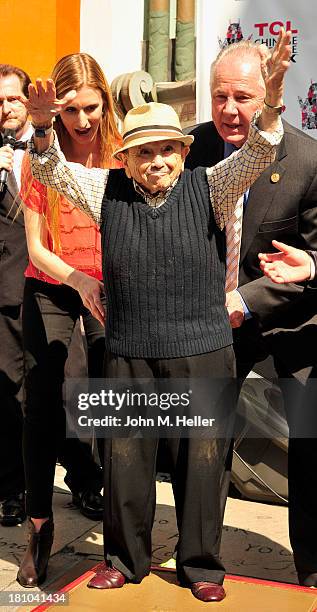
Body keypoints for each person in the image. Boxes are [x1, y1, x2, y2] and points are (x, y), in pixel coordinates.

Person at [20, 31, 289, 602]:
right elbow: (50, 172)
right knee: (124, 460)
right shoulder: (107, 189)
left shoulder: (211, 185)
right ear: (127, 158)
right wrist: (43, 130)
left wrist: (273, 90)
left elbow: (262, 149)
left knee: (204, 461)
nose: (157, 160)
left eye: (167, 148)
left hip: (203, 350)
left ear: (183, 151)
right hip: (130, 350)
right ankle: (123, 558)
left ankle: (202, 566)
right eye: (144, 151)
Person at [185, 36, 317, 587]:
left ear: (269, 97)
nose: (230, 110)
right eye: (220, 97)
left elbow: (316, 252)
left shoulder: (308, 158)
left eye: (243, 96)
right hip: (214, 322)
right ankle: (199, 563)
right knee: (203, 439)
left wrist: (299, 268)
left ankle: (311, 564)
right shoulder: (190, 148)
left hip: (292, 317)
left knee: (310, 438)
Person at [14, 53, 122, 588]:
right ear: (57, 108)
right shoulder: (41, 155)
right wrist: (79, 282)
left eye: (92, 108)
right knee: (43, 397)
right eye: (73, 110)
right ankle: (39, 528)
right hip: (54, 278)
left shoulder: (121, 151)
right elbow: (35, 244)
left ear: (105, 99)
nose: (82, 121)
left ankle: (120, 523)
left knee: (115, 392)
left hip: (110, 284)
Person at [0, 64, 31, 526]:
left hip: (59, 287)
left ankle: (86, 479)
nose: (5, 108)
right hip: (5, 291)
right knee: (6, 393)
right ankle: (12, 489)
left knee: (70, 386)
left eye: (12, 98)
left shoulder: (54, 146)